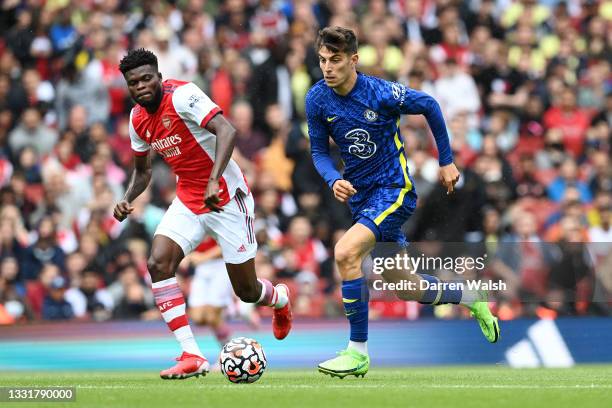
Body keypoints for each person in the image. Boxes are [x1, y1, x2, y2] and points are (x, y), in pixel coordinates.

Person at [305, 27, 499, 379]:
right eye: (322, 60)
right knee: (406, 286)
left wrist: (446, 160)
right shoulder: (317, 99)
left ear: (354, 59)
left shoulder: (380, 92)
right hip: (362, 199)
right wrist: (334, 179)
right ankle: (472, 297)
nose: (328, 68)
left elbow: (429, 105)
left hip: (394, 190)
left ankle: (357, 352)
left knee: (346, 253)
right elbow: (318, 151)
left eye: (335, 60)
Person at [113, 49, 292, 380]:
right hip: (189, 200)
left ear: (159, 77)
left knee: (247, 292)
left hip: (225, 197)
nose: (141, 86)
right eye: (133, 82)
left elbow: (227, 130)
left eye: (146, 78)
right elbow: (143, 171)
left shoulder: (183, 95)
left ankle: (279, 299)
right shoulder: (137, 119)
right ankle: (191, 353)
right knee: (157, 263)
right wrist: (126, 198)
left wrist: (212, 180)